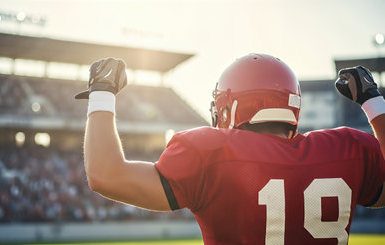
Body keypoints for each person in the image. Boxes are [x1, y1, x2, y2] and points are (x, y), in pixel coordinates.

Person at [75, 54, 385, 245]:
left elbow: (105, 174)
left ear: (230, 106)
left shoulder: (210, 153)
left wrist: (102, 91)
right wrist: (372, 99)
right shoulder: (350, 149)